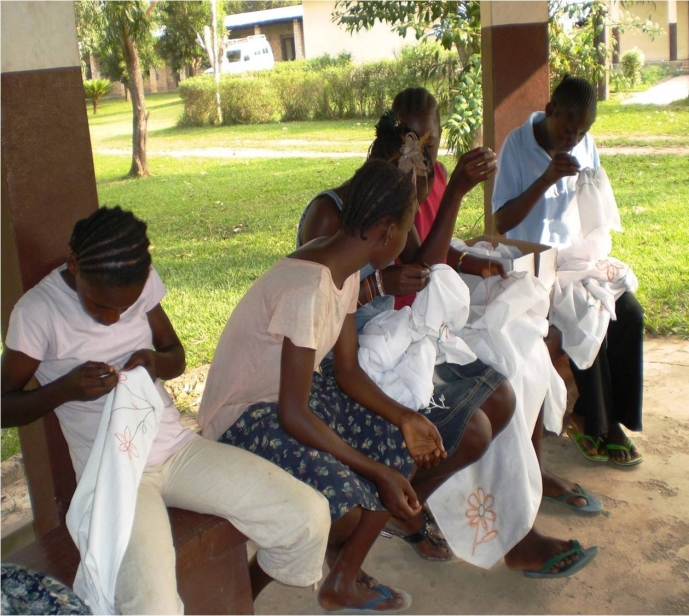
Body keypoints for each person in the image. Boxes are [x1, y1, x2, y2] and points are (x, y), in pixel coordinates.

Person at [299, 92, 600, 577]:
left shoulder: (396, 201)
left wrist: (442, 237)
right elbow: (306, 305)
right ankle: (399, 524)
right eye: (417, 151)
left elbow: (422, 263)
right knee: (474, 429)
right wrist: (380, 284)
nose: (426, 166)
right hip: (346, 361)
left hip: (392, 340)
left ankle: (407, 512)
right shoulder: (330, 213)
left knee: (501, 393)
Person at [199, 159, 511, 613]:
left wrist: (406, 417)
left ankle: (340, 580)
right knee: (339, 500)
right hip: (246, 415)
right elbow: (292, 414)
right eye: (406, 232)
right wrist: (376, 470)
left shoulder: (344, 267)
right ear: (386, 232)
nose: (406, 244)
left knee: (398, 443)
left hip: (294, 396)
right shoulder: (308, 288)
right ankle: (242, 591)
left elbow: (346, 371)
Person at [1, 206, 331, 614]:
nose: (113, 318)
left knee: (308, 515)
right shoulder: (38, 313)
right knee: (151, 603)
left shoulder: (141, 285)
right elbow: (5, 407)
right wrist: (63, 390)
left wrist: (154, 363)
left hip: (178, 451)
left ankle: (248, 590)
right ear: (73, 265)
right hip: (117, 475)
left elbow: (175, 354)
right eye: (100, 305)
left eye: (124, 308)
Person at [491, 76, 644, 466]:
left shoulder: (584, 144)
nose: (574, 139)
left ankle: (617, 418)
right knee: (585, 313)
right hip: (532, 263)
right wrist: (546, 179)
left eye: (582, 132)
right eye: (568, 129)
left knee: (627, 312)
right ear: (551, 110)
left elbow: (592, 213)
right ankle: (596, 423)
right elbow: (502, 221)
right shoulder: (517, 146)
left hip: (575, 260)